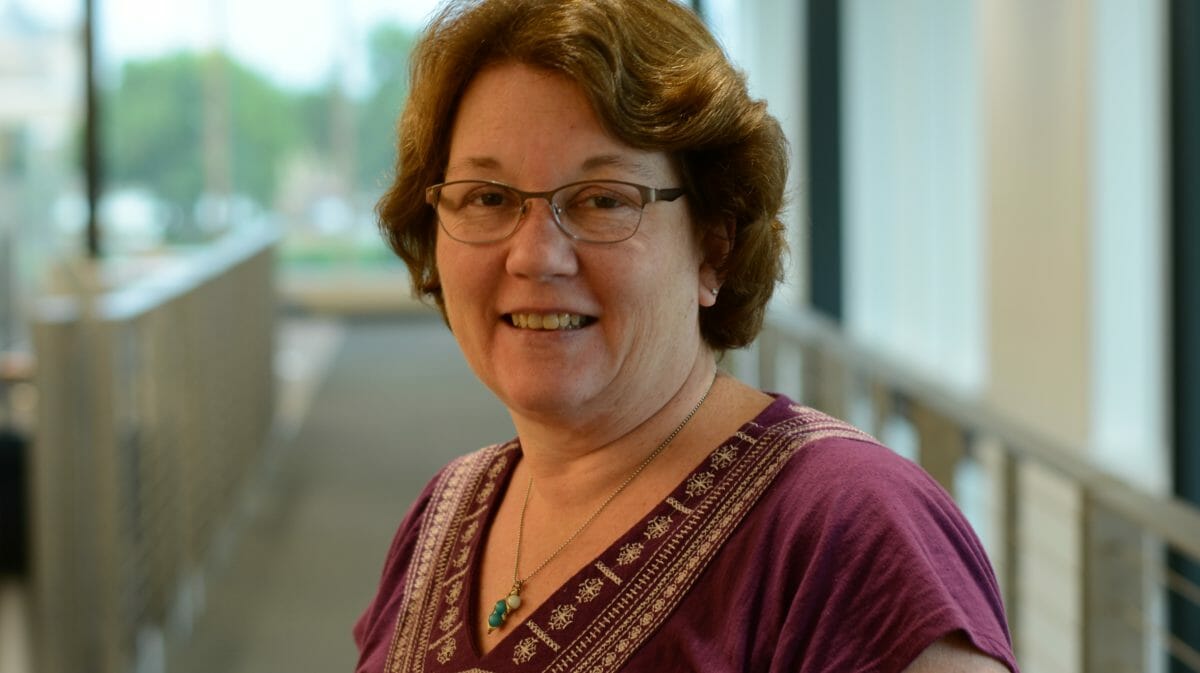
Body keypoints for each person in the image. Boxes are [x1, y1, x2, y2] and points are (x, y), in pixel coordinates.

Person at [354, 1, 1020, 671]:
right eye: (488, 197)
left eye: (603, 198)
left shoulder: (855, 531)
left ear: (714, 246)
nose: (535, 256)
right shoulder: (444, 516)